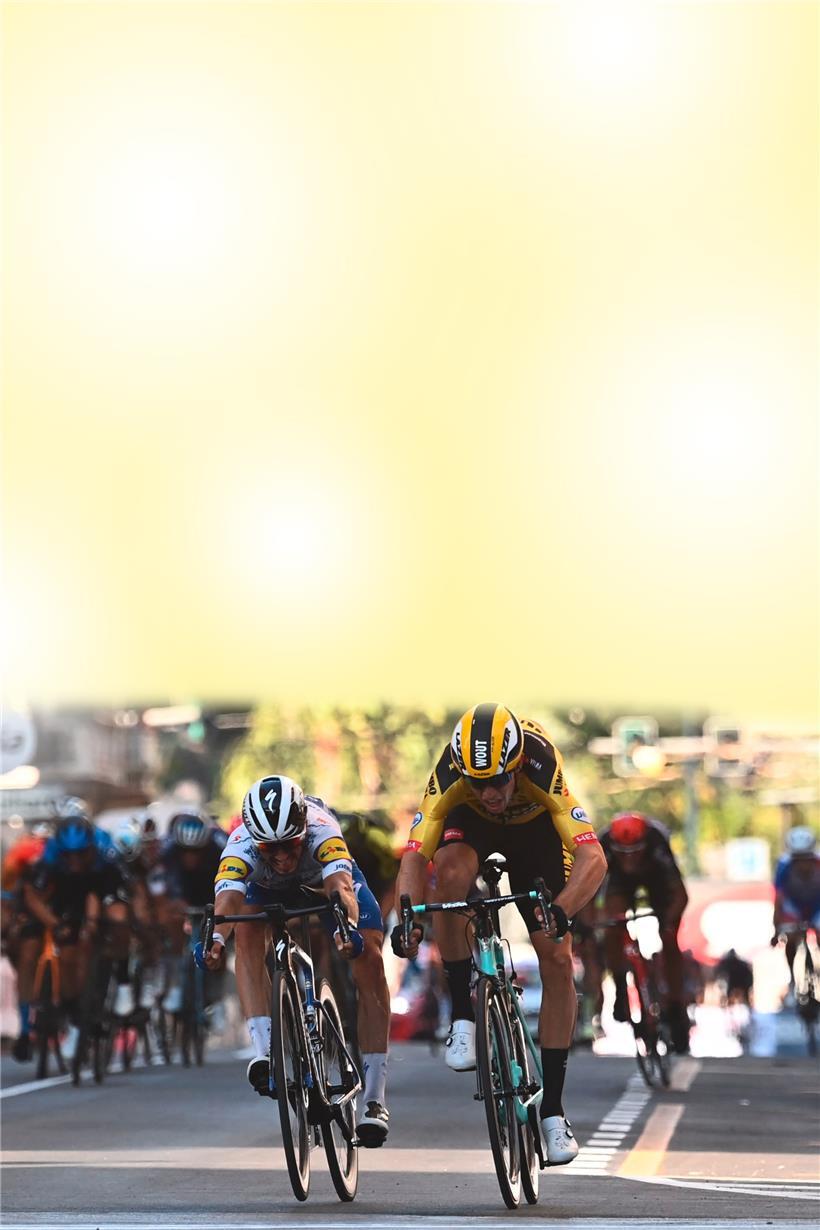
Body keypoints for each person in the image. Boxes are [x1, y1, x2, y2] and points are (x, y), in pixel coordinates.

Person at [392, 703, 607, 1166]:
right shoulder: (451, 774)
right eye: (477, 783)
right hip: (471, 831)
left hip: (537, 833)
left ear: (515, 766)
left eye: (498, 781)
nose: (489, 792)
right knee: (447, 878)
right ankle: (464, 1017)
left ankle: (553, 1112)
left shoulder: (540, 761)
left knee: (554, 954)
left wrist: (563, 911)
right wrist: (406, 917)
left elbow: (594, 858)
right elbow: (414, 855)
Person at [201, 775, 392, 1148]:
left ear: (303, 827)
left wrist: (346, 924)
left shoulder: (322, 828)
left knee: (369, 956)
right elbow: (226, 906)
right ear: (255, 842)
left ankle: (374, 1099)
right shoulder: (239, 843)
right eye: (270, 850)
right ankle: (265, 1052)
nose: (283, 857)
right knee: (247, 930)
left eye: (290, 845)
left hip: (322, 886)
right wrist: (216, 941)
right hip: (267, 891)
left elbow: (340, 885)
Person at [19, 802, 131, 1059]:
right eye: (70, 856)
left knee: (119, 917)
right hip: (65, 896)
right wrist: (55, 924)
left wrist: (95, 923)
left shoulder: (105, 852)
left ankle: (121, 981)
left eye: (81, 854)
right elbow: (32, 896)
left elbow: (108, 894)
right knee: (67, 953)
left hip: (100, 888)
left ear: (91, 848)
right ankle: (72, 1011)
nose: (76, 861)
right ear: (61, 851)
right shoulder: (50, 858)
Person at [598, 812, 690, 1053]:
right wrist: (592, 923)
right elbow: (590, 894)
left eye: (635, 851)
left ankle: (676, 1006)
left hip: (656, 880)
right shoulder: (604, 843)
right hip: (620, 883)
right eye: (623, 853)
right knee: (611, 927)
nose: (629, 859)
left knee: (670, 939)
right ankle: (620, 985)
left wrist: (668, 923)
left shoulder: (657, 841)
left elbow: (680, 895)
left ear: (645, 845)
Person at [772, 826, 820, 987]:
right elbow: (778, 900)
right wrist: (776, 928)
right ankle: (792, 979)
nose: (803, 864)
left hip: (817, 905)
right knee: (790, 938)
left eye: (806, 858)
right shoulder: (783, 866)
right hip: (794, 906)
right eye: (797, 859)